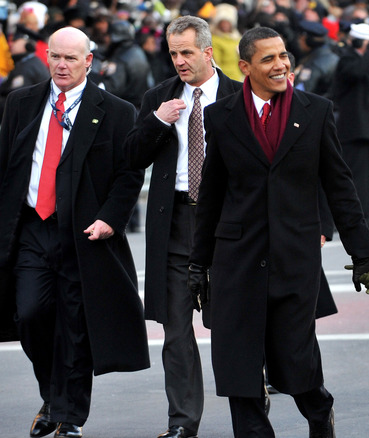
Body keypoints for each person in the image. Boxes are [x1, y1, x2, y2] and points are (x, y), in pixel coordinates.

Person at [187, 26, 369, 438]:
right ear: (245, 67)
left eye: (283, 56)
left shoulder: (315, 110)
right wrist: (197, 264)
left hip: (295, 255)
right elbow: (211, 195)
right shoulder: (219, 116)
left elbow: (339, 186)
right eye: (268, 59)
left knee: (293, 357)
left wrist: (364, 253)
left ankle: (318, 409)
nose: (280, 65)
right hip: (237, 256)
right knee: (238, 360)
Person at [0, 26, 149, 438]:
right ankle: (52, 394)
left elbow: (128, 173)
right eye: (55, 56)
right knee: (29, 313)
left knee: (75, 326)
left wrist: (109, 218)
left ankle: (69, 417)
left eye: (71, 58)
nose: (61, 65)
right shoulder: (21, 102)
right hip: (31, 227)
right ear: (47, 57)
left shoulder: (116, 111)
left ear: (89, 61)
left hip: (84, 234)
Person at [123, 15, 242, 438]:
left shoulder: (239, 96)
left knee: (232, 325)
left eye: (187, 52)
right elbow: (132, 157)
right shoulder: (160, 97)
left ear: (208, 52)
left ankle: (250, 405)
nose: (179, 61)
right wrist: (157, 121)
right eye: (173, 53)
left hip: (226, 224)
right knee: (175, 330)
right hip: (174, 221)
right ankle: (182, 422)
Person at [330, 23, 369, 236]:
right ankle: (351, 222)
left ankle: (365, 221)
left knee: (367, 180)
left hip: (367, 130)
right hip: (353, 129)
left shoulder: (365, 61)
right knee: (354, 179)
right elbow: (355, 73)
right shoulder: (348, 59)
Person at [0, 27, 50, 121]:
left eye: (15, 41)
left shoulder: (27, 67)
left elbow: (16, 100)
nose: (11, 44)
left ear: (26, 44)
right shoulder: (28, 62)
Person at [293, 20, 340, 96]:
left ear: (306, 40)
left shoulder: (314, 65)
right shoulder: (332, 53)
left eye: (300, 39)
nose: (299, 42)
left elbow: (300, 92)